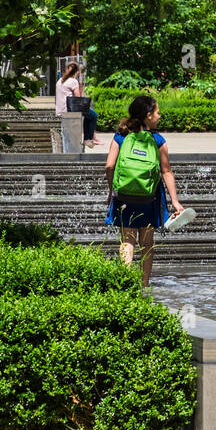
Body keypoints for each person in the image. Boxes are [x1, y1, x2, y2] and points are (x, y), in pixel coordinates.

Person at [104, 95, 186, 286]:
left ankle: (125, 285)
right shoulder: (157, 140)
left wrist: (112, 190)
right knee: (147, 244)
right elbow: (166, 171)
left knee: (127, 241)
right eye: (157, 112)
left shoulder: (120, 136)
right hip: (149, 197)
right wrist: (175, 201)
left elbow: (109, 166)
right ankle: (144, 285)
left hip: (123, 195)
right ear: (148, 115)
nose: (159, 116)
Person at [55, 62, 102, 148]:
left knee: (87, 115)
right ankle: (88, 139)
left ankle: (88, 139)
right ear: (76, 72)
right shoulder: (73, 81)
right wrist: (81, 90)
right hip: (70, 110)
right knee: (94, 115)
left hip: (60, 110)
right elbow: (78, 98)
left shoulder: (59, 80)